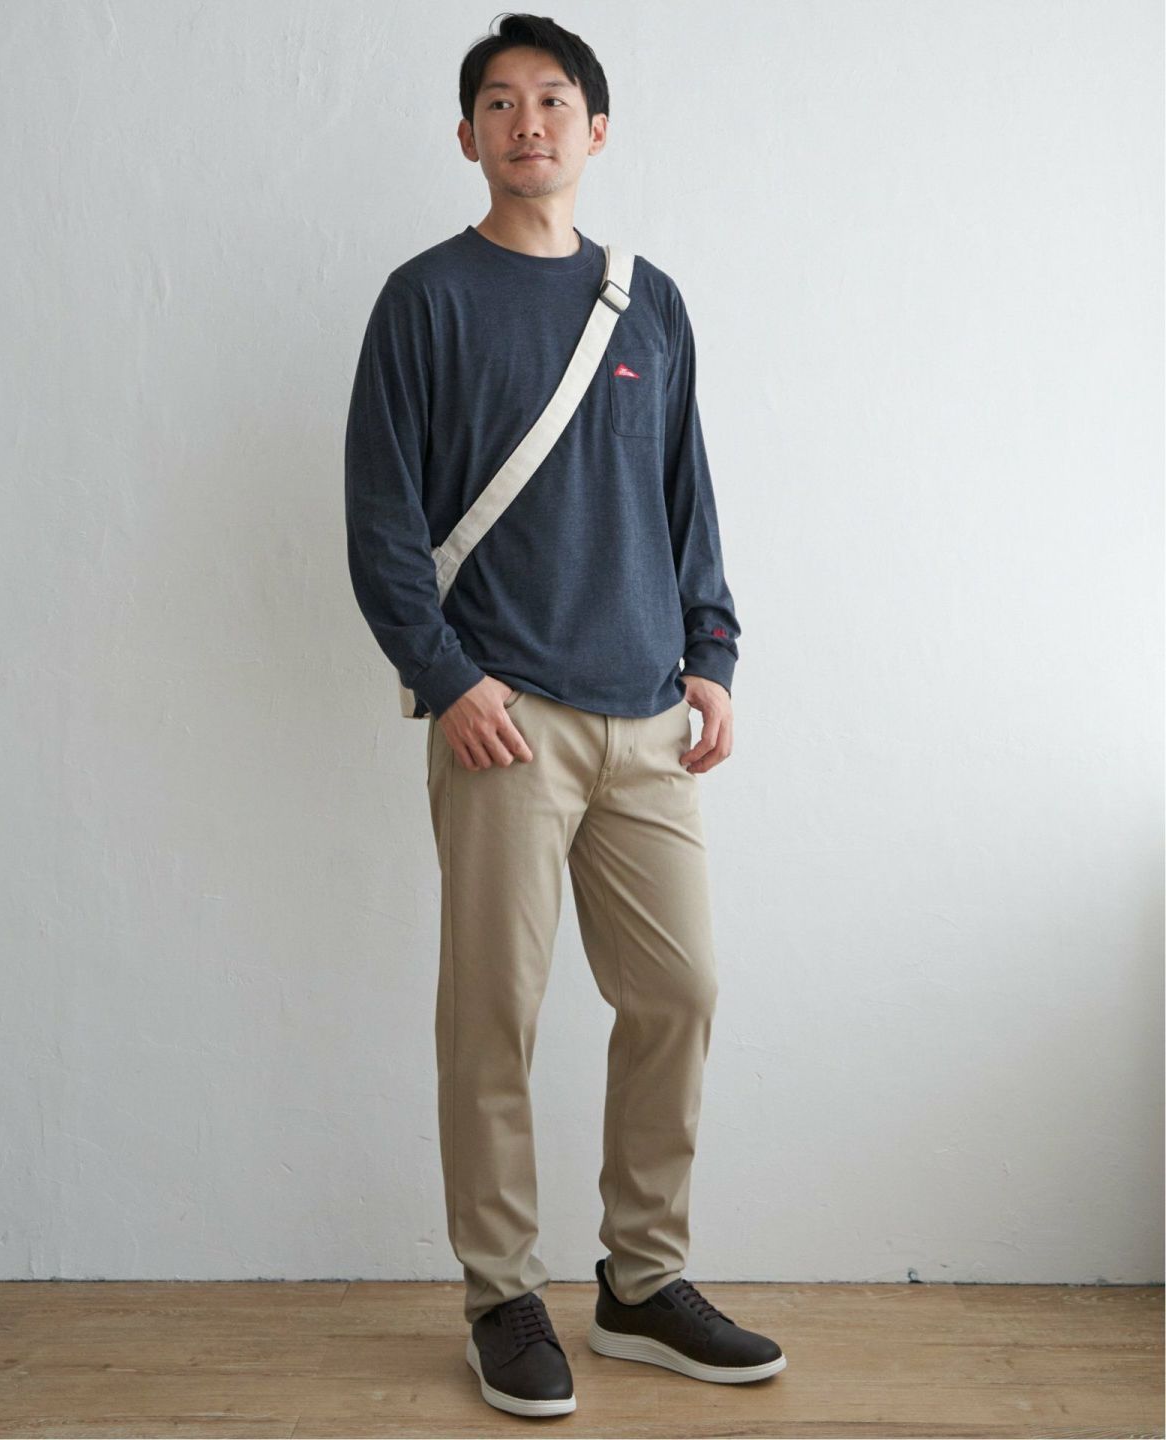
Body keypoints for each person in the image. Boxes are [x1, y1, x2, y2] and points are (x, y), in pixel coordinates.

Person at [344, 12, 786, 1419]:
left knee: (681, 991)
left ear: (596, 130)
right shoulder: (423, 300)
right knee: (495, 1016)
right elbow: (381, 519)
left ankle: (642, 1284)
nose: (526, 122)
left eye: (552, 100)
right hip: (505, 722)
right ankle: (502, 1296)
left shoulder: (648, 302)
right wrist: (448, 677)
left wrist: (711, 651)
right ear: (465, 134)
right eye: (498, 101)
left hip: (649, 720)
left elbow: (686, 493)